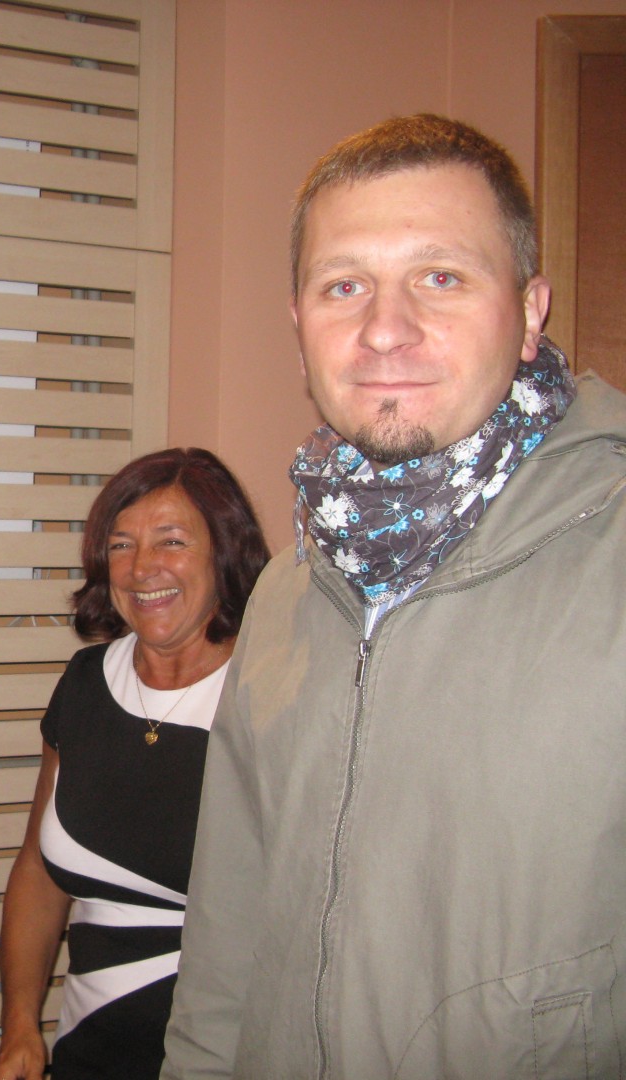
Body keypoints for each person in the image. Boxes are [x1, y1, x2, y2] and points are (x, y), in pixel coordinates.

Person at [161, 115, 626, 1079]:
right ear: (300, 330)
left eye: (441, 277)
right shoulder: (288, 589)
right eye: (344, 286)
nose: (384, 328)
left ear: (530, 312)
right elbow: (227, 942)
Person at [0, 449, 269, 1080]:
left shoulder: (269, 692)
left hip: (226, 1055)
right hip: (89, 1048)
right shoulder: (87, 681)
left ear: (224, 551)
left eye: (171, 540)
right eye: (121, 545)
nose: (142, 568)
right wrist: (20, 1026)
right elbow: (38, 868)